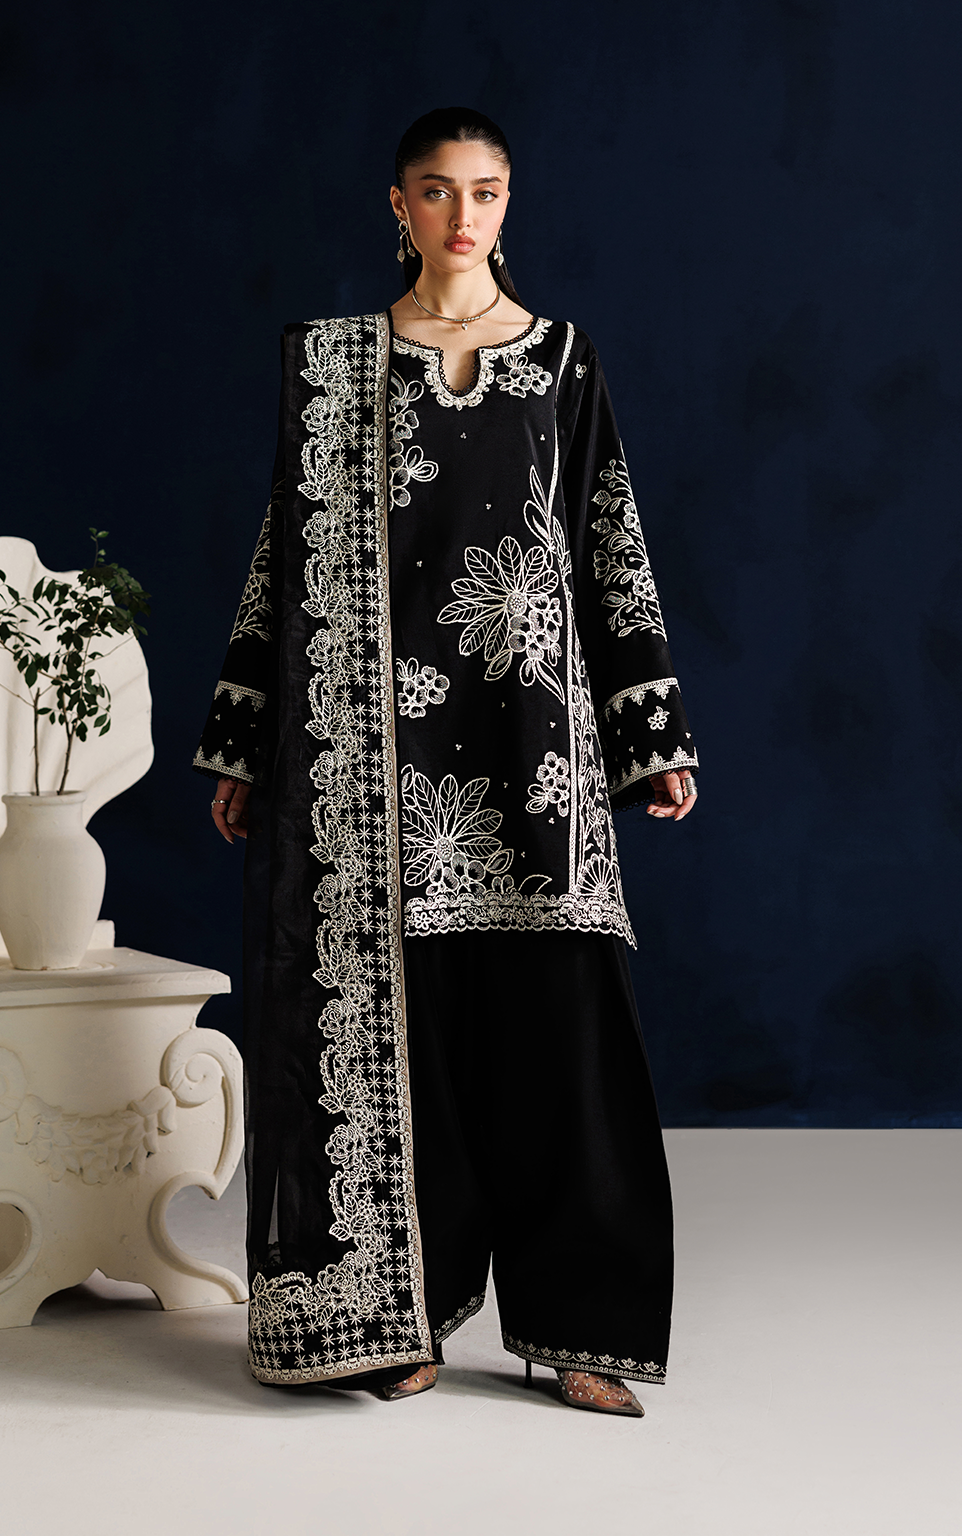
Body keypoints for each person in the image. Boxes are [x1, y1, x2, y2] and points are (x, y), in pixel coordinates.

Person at [194, 107, 698, 1417]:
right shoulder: (340, 368)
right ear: (399, 206)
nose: (463, 215)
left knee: (560, 1040)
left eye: (485, 191)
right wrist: (248, 736)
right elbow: (283, 554)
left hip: (538, 751)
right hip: (378, 753)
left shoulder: (562, 359)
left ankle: (581, 1328)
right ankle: (398, 1316)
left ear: (509, 202)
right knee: (403, 1040)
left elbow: (608, 538)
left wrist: (646, 733)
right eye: (436, 190)